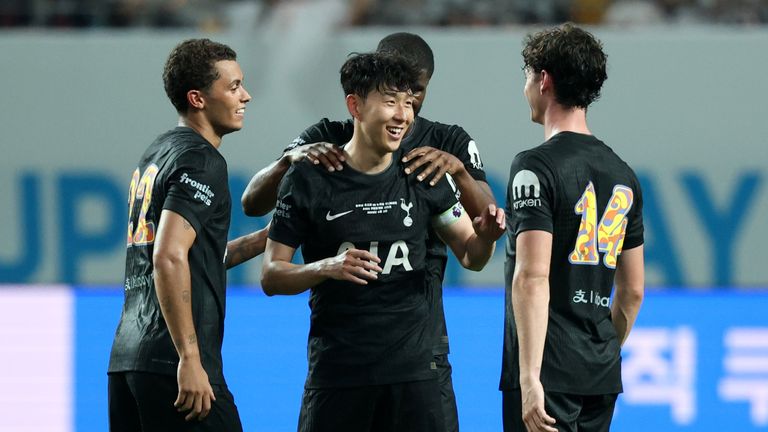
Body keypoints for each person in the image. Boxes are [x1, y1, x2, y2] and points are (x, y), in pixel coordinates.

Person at [241, 32, 496, 431]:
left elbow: (476, 243)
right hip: (340, 366)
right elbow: (256, 221)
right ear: (357, 103)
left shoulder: (433, 161)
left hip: (418, 354)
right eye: (392, 99)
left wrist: (481, 219)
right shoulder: (317, 157)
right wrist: (328, 264)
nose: (404, 112)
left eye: (412, 98)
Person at [108, 38, 261, 431]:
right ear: (198, 98)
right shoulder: (201, 159)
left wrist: (268, 237)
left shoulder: (157, 153)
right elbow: (168, 257)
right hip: (174, 364)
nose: (245, 96)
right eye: (233, 87)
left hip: (128, 360)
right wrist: (190, 360)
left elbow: (193, 257)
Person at [500, 23, 645, 432]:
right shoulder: (624, 174)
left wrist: (530, 378)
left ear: (543, 80)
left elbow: (532, 277)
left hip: (548, 376)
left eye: (527, 77)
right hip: (599, 375)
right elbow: (632, 292)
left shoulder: (534, 167)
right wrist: (599, 354)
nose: (525, 88)